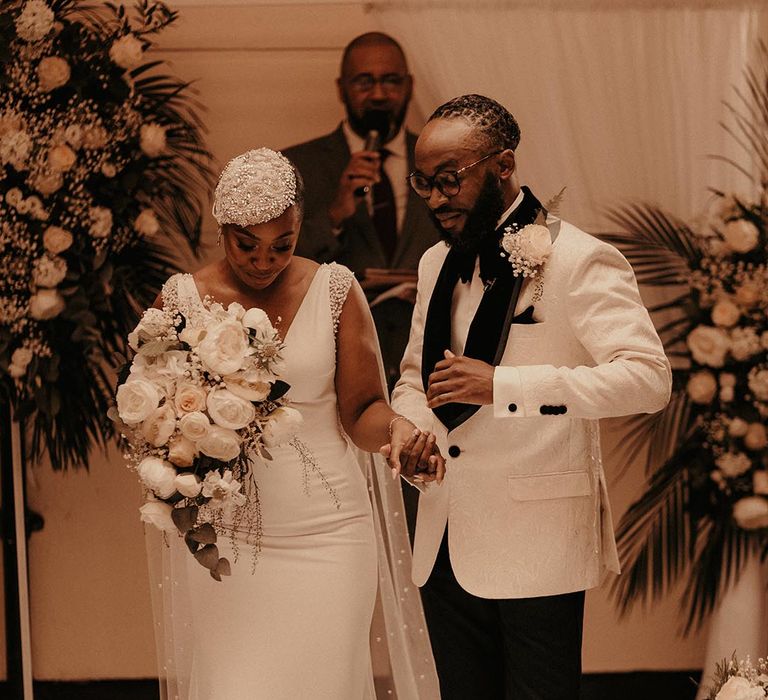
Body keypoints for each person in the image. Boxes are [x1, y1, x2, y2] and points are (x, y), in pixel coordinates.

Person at [388, 95, 672, 699]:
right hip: (443, 539)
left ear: (503, 165)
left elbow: (648, 378)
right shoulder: (436, 261)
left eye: (449, 180)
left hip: (538, 546)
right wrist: (410, 433)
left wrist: (506, 387)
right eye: (424, 183)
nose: (436, 199)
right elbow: (414, 378)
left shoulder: (579, 258)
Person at [146, 148, 442, 699]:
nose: (265, 261)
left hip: (330, 536)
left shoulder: (334, 290)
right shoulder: (181, 299)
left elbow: (360, 413)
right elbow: (154, 422)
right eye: (247, 245)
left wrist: (397, 429)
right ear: (222, 230)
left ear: (301, 227)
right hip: (228, 538)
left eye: (282, 245)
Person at [282, 31, 440, 391]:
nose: (380, 94)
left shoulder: (441, 160)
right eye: (364, 81)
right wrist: (335, 214)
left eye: (391, 81)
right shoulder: (294, 166)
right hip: (334, 362)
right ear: (341, 88)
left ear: (409, 86)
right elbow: (273, 264)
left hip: (430, 359)